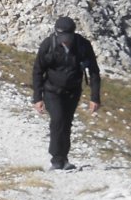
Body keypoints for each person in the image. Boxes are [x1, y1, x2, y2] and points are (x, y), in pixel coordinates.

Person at [32, 16, 101, 171]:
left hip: (73, 91)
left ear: (73, 34)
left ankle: (64, 158)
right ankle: (56, 159)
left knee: (66, 123)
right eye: (62, 37)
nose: (65, 41)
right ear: (57, 34)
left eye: (68, 37)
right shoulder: (48, 45)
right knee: (57, 121)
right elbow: (38, 71)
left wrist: (95, 97)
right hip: (51, 90)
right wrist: (37, 98)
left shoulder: (83, 45)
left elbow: (94, 72)